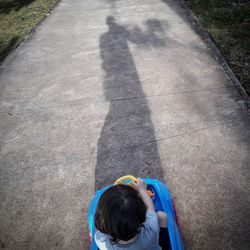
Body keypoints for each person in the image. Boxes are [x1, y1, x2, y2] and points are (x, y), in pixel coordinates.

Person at [94, 178, 170, 249]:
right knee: (162, 216)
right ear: (142, 214)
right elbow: (150, 208)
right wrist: (142, 190)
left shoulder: (103, 241)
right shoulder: (151, 229)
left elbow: (98, 230)